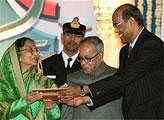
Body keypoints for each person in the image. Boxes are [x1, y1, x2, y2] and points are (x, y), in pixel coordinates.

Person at [59, 4, 163, 119]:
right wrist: (84, 100)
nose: (116, 31)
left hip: (151, 115)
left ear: (131, 21)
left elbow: (125, 77)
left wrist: (83, 89)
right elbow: (120, 88)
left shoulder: (151, 45)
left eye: (117, 25)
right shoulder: (124, 51)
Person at [61, 36, 123, 120]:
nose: (83, 63)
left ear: (100, 56)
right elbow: (67, 114)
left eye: (88, 58)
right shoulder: (72, 79)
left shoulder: (116, 76)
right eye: (81, 58)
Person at [0, 37, 60, 120]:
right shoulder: (3, 83)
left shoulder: (44, 82)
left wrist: (50, 108)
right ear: (16, 54)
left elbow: (55, 117)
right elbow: (2, 112)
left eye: (36, 50)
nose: (36, 53)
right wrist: (25, 101)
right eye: (30, 50)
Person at [41, 17, 86, 87]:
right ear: (62, 37)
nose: (72, 39)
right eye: (68, 35)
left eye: (77, 36)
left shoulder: (88, 65)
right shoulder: (46, 64)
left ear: (83, 40)